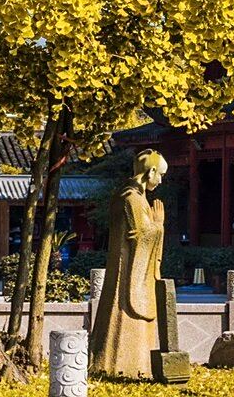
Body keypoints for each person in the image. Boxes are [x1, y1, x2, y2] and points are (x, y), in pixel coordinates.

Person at [88, 150, 168, 379]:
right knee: (122, 319)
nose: (161, 180)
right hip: (127, 276)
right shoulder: (131, 198)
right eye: (160, 174)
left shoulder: (131, 195)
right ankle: (122, 366)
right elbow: (138, 236)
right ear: (151, 171)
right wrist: (159, 225)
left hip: (127, 271)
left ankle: (132, 365)